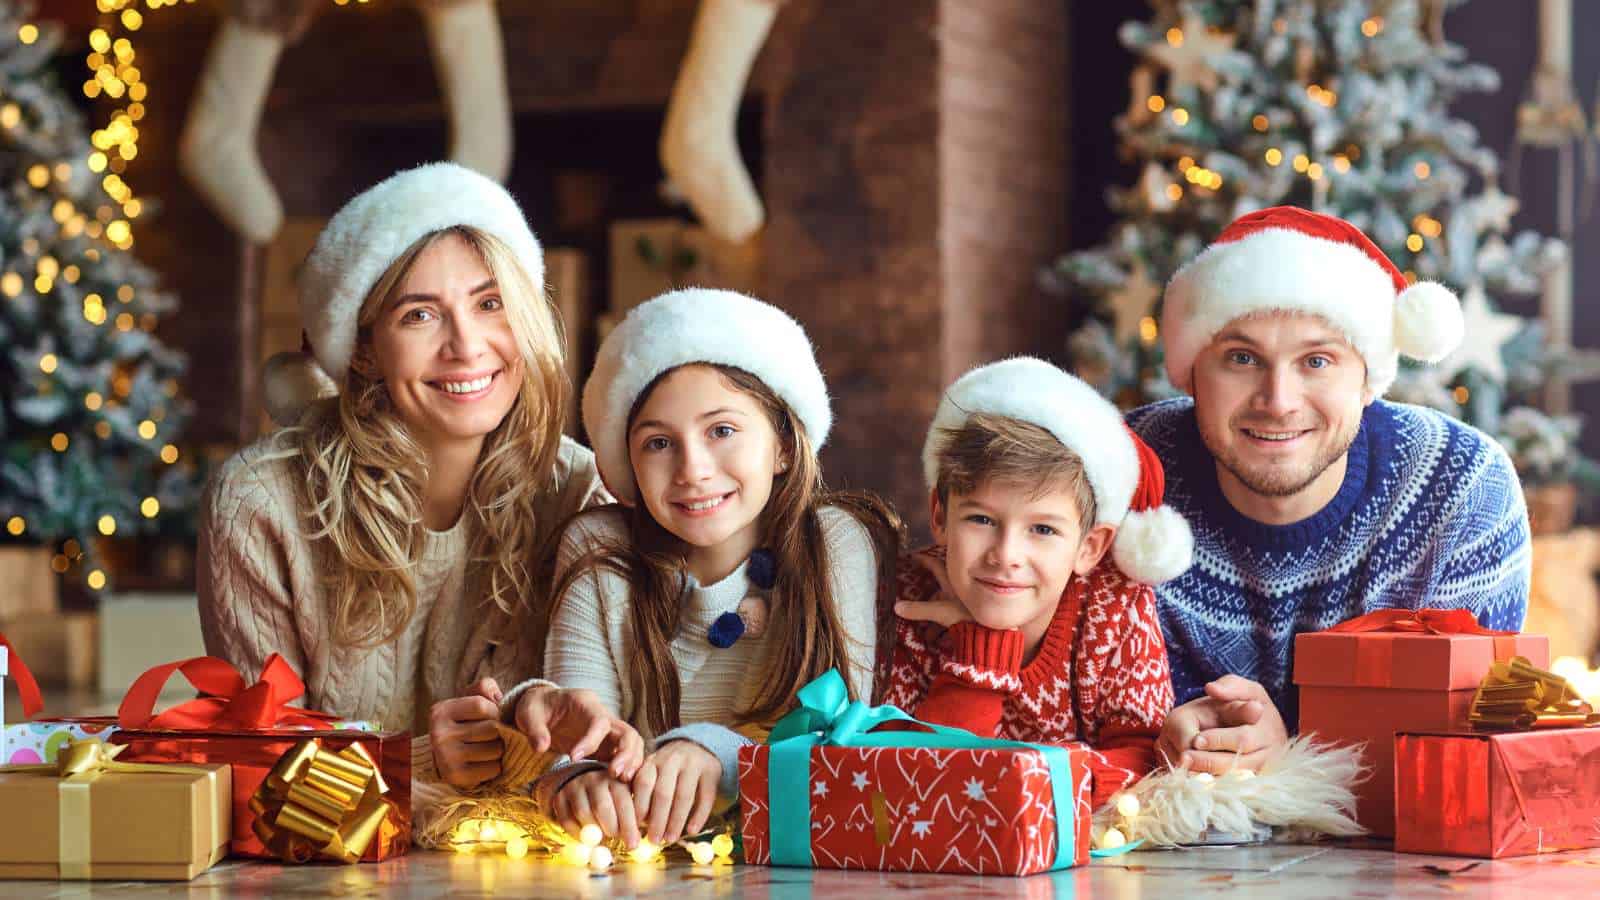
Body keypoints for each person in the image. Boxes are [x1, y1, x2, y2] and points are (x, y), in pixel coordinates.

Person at [197, 162, 637, 797]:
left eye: (490, 304)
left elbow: (594, 731)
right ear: (365, 349)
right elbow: (263, 773)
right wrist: (424, 765)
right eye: (419, 316)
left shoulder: (574, 490)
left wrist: (541, 725)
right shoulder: (260, 503)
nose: (466, 346)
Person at [1132, 206, 1531, 773]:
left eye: (1316, 361)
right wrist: (1159, 735)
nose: (1278, 400)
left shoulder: (1462, 488)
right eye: (1241, 358)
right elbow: (1068, 710)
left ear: (1368, 379)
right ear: (1192, 369)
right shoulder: (1122, 471)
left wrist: (1289, 753)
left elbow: (1464, 754)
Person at [500, 288, 901, 849]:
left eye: (722, 431)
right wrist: (580, 778)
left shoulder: (832, 543)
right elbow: (579, 726)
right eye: (660, 443)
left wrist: (717, 752)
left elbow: (842, 737)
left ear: (784, 444)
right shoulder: (599, 549)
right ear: (629, 466)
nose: (693, 469)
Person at [883, 357, 1184, 810]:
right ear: (941, 518)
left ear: (1091, 547)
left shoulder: (1116, 606)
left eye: (1042, 530)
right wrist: (978, 653)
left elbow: (1146, 758)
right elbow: (910, 782)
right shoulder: (907, 603)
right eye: (981, 519)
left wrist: (1021, 779)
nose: (1005, 555)